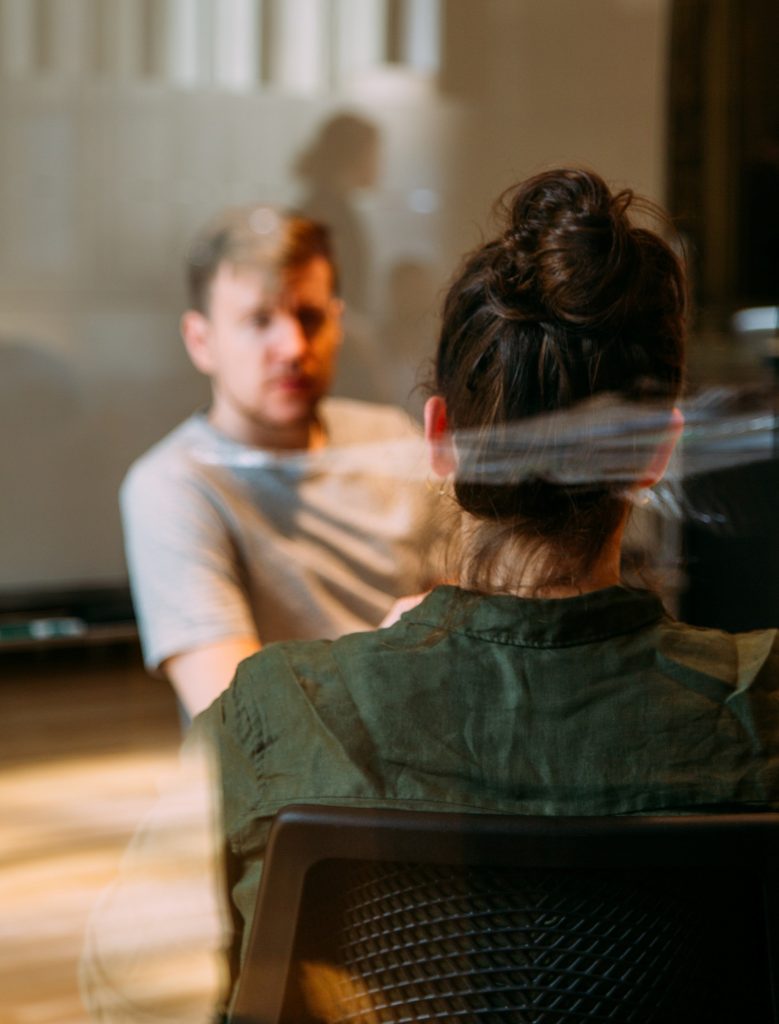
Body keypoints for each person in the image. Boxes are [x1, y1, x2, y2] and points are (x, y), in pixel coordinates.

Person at [83, 169, 779, 1022]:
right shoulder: (763, 704)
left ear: (439, 441)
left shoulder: (267, 714)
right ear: (656, 452)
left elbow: (122, 988)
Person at [120, 206, 438, 719]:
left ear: (337, 324)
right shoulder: (173, 485)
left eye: (309, 317)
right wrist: (390, 652)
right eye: (259, 320)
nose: (292, 347)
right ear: (201, 341)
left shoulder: (391, 438)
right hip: (289, 794)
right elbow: (237, 716)